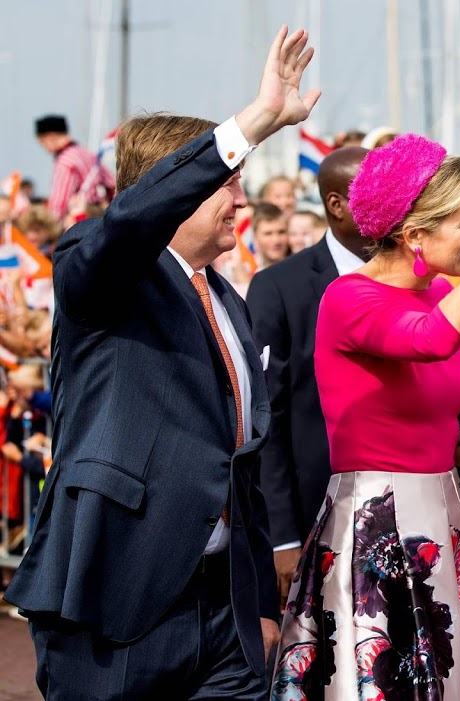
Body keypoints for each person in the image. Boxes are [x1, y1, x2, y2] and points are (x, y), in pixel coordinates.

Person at [4, 26, 321, 699]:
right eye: (228, 184)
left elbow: (240, 463)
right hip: (117, 601)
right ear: (172, 191)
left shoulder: (229, 302)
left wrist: (257, 603)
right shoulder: (102, 269)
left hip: (224, 615)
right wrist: (254, 121)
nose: (242, 201)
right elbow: (125, 227)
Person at [272, 140, 460, 699]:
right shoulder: (348, 298)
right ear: (415, 234)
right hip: (380, 528)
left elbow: (435, 430)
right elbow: (431, 339)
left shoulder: (440, 292)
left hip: (446, 519)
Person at [247, 146, 369, 610]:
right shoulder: (279, 287)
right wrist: (282, 536)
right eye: (372, 190)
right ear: (336, 204)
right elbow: (268, 416)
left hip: (405, 510)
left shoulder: (421, 280)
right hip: (315, 512)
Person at [34, 114, 115, 220]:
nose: (45, 149)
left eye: (42, 143)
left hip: (81, 220)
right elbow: (112, 184)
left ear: (50, 137)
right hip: (101, 216)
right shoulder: (88, 154)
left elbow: (59, 205)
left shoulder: (65, 161)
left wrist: (51, 223)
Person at [251, 202, 290, 269]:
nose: (276, 240)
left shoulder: (302, 266)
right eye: (268, 234)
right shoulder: (245, 269)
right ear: (255, 237)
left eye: (281, 232)